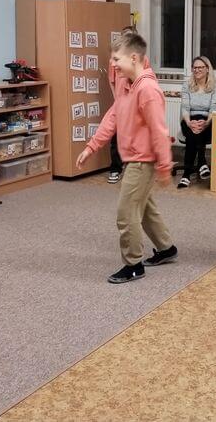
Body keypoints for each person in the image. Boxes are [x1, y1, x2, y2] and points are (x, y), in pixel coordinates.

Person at [78, 32, 178, 284]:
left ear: (134, 58)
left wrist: (164, 167)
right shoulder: (125, 84)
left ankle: (133, 265)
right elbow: (112, 117)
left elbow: (159, 131)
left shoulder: (148, 90)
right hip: (133, 157)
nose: (112, 65)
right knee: (144, 207)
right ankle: (166, 248)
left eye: (116, 59)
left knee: (126, 213)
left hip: (143, 160)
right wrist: (91, 147)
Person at [105, 25, 143, 184]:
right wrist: (117, 99)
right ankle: (115, 168)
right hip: (120, 102)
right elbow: (111, 81)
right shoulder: (115, 60)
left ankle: (133, 168)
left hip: (136, 103)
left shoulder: (141, 59)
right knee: (116, 136)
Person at [177, 56, 216, 189]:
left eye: (200, 67)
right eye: (195, 67)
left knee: (195, 134)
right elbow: (185, 108)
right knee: (193, 132)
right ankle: (201, 162)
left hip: (208, 122)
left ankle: (186, 175)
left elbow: (214, 108)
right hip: (189, 120)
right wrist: (189, 122)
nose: (197, 70)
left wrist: (206, 122)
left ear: (207, 69)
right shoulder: (187, 85)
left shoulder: (215, 86)